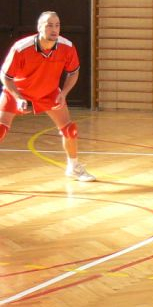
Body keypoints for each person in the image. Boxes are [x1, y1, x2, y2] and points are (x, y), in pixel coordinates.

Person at [0, 11, 93, 181]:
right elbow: (5, 76)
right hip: (18, 91)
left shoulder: (67, 47)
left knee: (70, 130)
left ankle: (73, 167)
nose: (54, 29)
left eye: (57, 25)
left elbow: (73, 72)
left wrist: (63, 93)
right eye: (49, 25)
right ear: (39, 27)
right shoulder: (21, 48)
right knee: (1, 129)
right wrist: (18, 97)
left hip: (48, 92)